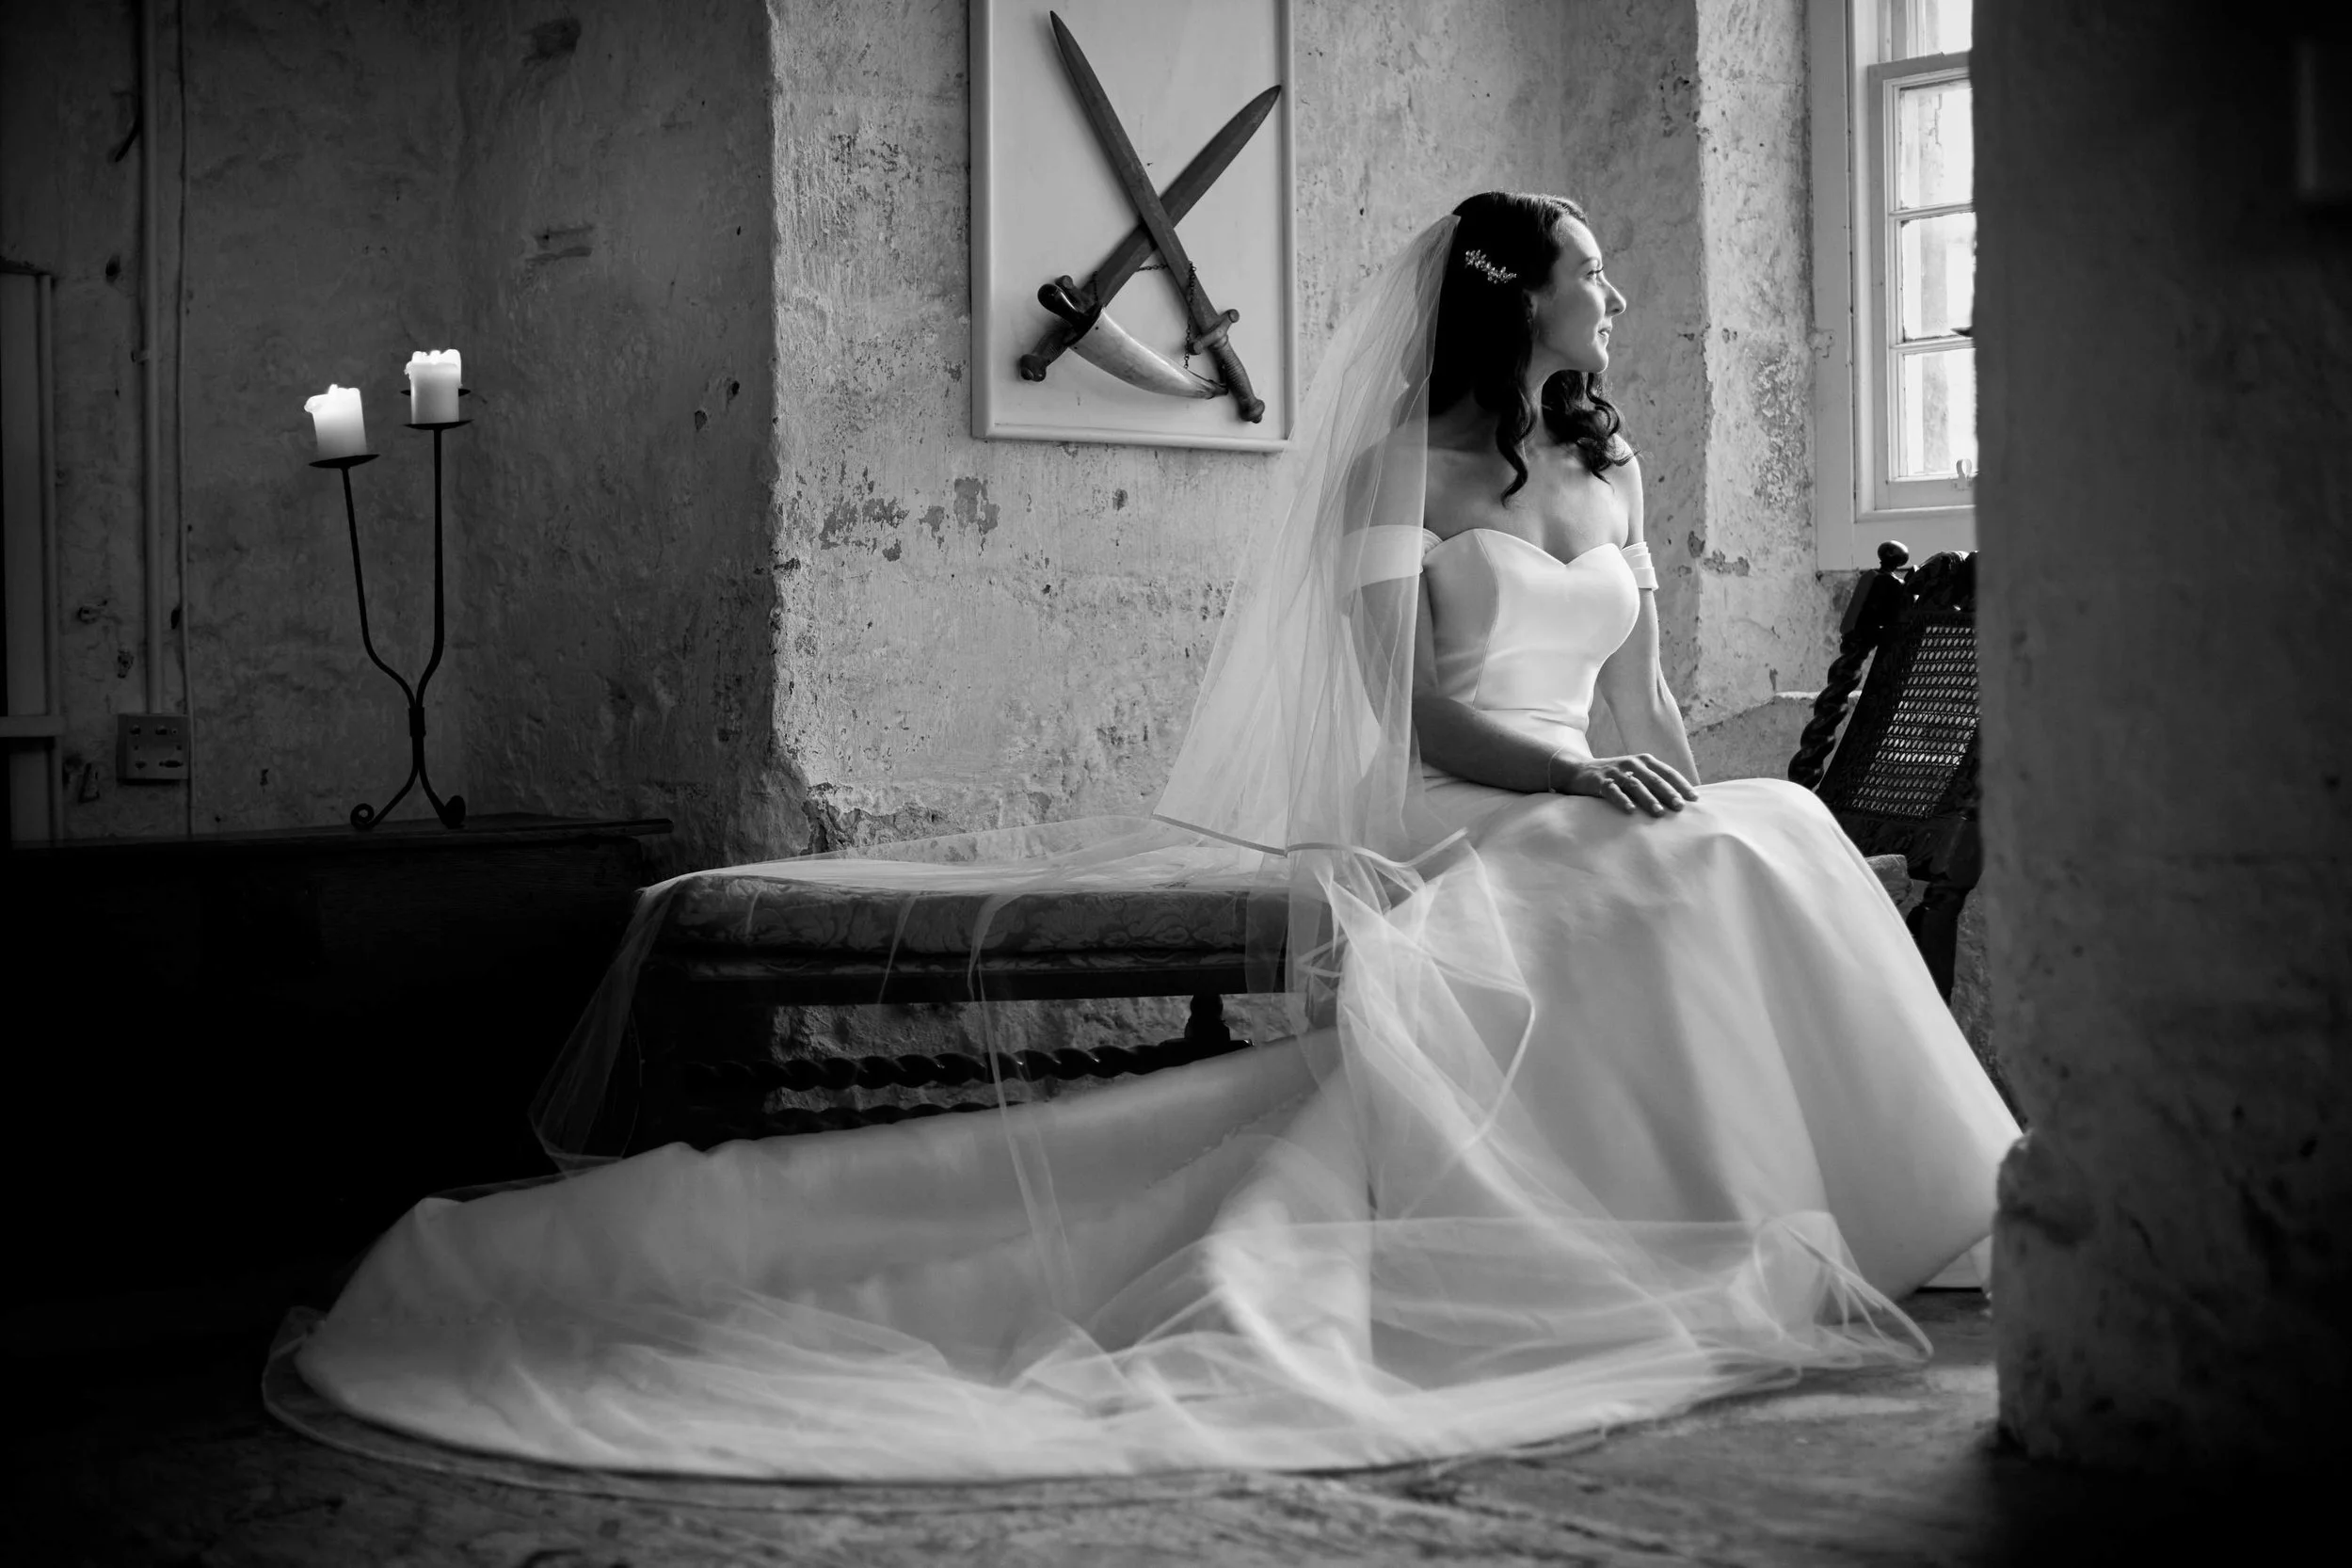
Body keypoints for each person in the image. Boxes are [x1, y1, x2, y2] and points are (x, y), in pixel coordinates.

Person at [277, 195, 2018, 1482]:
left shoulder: (1612, 476)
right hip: (1464, 804)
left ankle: (1857, 1199)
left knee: (1757, 824)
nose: (1615, 288)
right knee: (1702, 855)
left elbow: (1638, 698)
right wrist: (1575, 791)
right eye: (1588, 264)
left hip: (1578, 794)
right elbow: (1413, 720)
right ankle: (1675, 1218)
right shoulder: (1390, 483)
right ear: (1515, 296)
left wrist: (1659, 777)